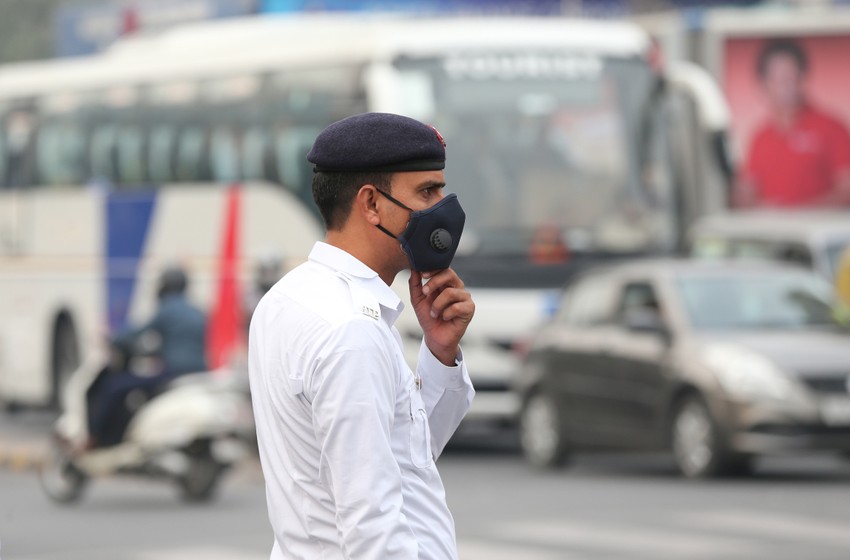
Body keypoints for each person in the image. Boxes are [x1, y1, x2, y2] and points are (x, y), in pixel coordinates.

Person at [248, 113, 475, 559]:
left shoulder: (288, 298)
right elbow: (372, 525)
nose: (442, 207)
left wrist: (439, 354)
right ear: (371, 203)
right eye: (427, 191)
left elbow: (404, 455)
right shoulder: (351, 330)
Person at [87, 265, 208, 448]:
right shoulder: (197, 311)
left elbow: (139, 331)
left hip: (174, 372)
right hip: (200, 372)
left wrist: (115, 338)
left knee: (114, 387)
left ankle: (97, 439)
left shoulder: (168, 309)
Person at [735, 39, 850, 208]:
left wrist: (799, 214)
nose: (786, 85)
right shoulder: (761, 136)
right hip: (771, 230)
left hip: (818, 230)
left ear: (803, 77)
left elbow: (846, 191)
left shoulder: (831, 127)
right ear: (764, 84)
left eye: (790, 76)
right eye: (778, 78)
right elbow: (747, 192)